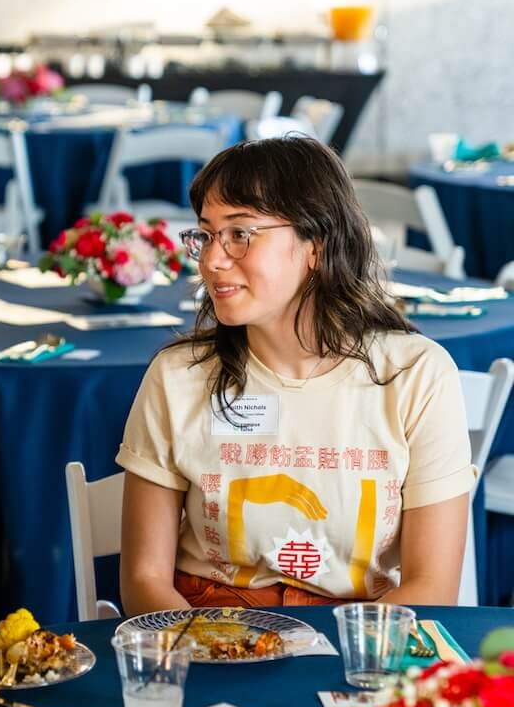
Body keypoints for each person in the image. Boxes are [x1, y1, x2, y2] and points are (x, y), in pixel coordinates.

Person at [117, 137, 474, 614]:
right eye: (206, 234)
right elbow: (143, 577)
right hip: (210, 634)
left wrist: (324, 656)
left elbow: (433, 589)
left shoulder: (415, 375)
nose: (211, 260)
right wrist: (207, 651)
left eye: (240, 233)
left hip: (363, 639)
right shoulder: (178, 376)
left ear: (316, 246)